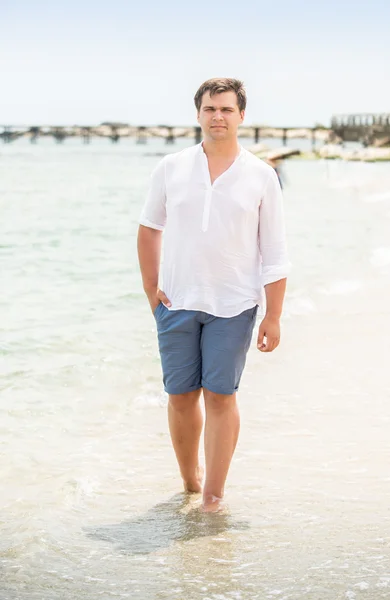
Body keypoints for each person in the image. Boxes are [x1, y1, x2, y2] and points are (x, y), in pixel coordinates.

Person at [137, 78, 289, 512]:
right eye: (209, 109)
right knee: (180, 396)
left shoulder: (262, 176)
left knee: (221, 396)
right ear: (198, 114)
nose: (217, 116)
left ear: (242, 116)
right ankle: (189, 482)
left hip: (234, 304)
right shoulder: (171, 167)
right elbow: (149, 228)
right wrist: (151, 288)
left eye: (226, 109)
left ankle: (213, 496)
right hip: (176, 302)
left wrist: (273, 315)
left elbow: (275, 252)